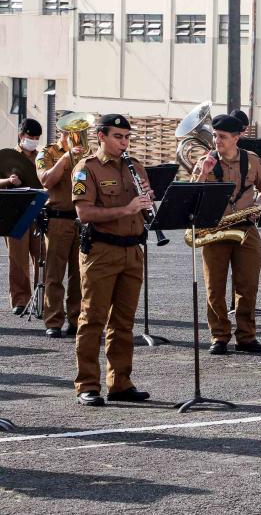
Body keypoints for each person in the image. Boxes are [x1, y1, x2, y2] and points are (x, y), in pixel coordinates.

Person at [71, 114, 152, 406]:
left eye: (127, 137)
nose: (124, 143)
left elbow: (141, 210)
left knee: (123, 322)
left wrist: (146, 205)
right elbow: (84, 214)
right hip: (102, 252)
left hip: (133, 251)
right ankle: (87, 385)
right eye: (118, 136)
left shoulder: (136, 167)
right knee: (92, 319)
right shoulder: (86, 169)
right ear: (101, 136)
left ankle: (120, 382)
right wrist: (128, 208)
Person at [191, 114, 261, 355]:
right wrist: (204, 173)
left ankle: (247, 336)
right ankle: (219, 336)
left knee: (247, 286)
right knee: (214, 287)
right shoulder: (206, 161)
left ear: (237, 138)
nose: (217, 141)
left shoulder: (252, 160)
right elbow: (190, 196)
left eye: (222, 137)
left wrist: (259, 204)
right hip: (215, 230)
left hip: (245, 228)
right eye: (215, 136)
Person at [36, 127, 84, 338]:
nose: (72, 137)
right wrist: (65, 158)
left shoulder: (88, 154)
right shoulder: (47, 153)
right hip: (58, 219)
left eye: (77, 132)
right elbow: (46, 180)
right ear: (60, 132)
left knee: (80, 275)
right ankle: (53, 320)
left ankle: (76, 319)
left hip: (82, 219)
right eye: (68, 132)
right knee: (54, 273)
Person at [2, 118, 42, 315]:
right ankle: (20, 299)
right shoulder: (7, 157)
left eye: (36, 138)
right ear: (21, 135)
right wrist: (8, 180)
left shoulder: (42, 157)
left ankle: (39, 298)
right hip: (16, 213)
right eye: (30, 137)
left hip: (39, 211)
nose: (33, 141)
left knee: (41, 256)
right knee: (17, 259)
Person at [231, 108, 261, 189]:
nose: (243, 132)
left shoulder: (249, 144)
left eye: (244, 129)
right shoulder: (222, 143)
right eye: (241, 129)